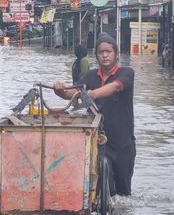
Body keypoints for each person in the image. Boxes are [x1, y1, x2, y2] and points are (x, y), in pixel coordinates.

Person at [53, 34, 135, 196]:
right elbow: (74, 93)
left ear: (116, 53)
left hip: (122, 142)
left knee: (123, 193)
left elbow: (116, 87)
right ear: (96, 55)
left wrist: (93, 94)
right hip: (96, 140)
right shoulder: (90, 76)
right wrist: (60, 91)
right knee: (95, 190)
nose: (105, 55)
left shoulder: (127, 72)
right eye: (100, 52)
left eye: (108, 51)